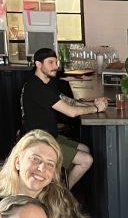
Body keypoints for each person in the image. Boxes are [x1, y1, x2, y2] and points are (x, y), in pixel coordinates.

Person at [20, 47, 109, 189]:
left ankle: (58, 184)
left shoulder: (45, 83)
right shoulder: (37, 87)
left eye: (56, 62)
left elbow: (67, 101)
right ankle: (62, 194)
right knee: (86, 160)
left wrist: (93, 103)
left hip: (49, 136)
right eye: (50, 62)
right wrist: (96, 108)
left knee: (85, 149)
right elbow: (71, 112)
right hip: (39, 142)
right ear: (38, 64)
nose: (55, 66)